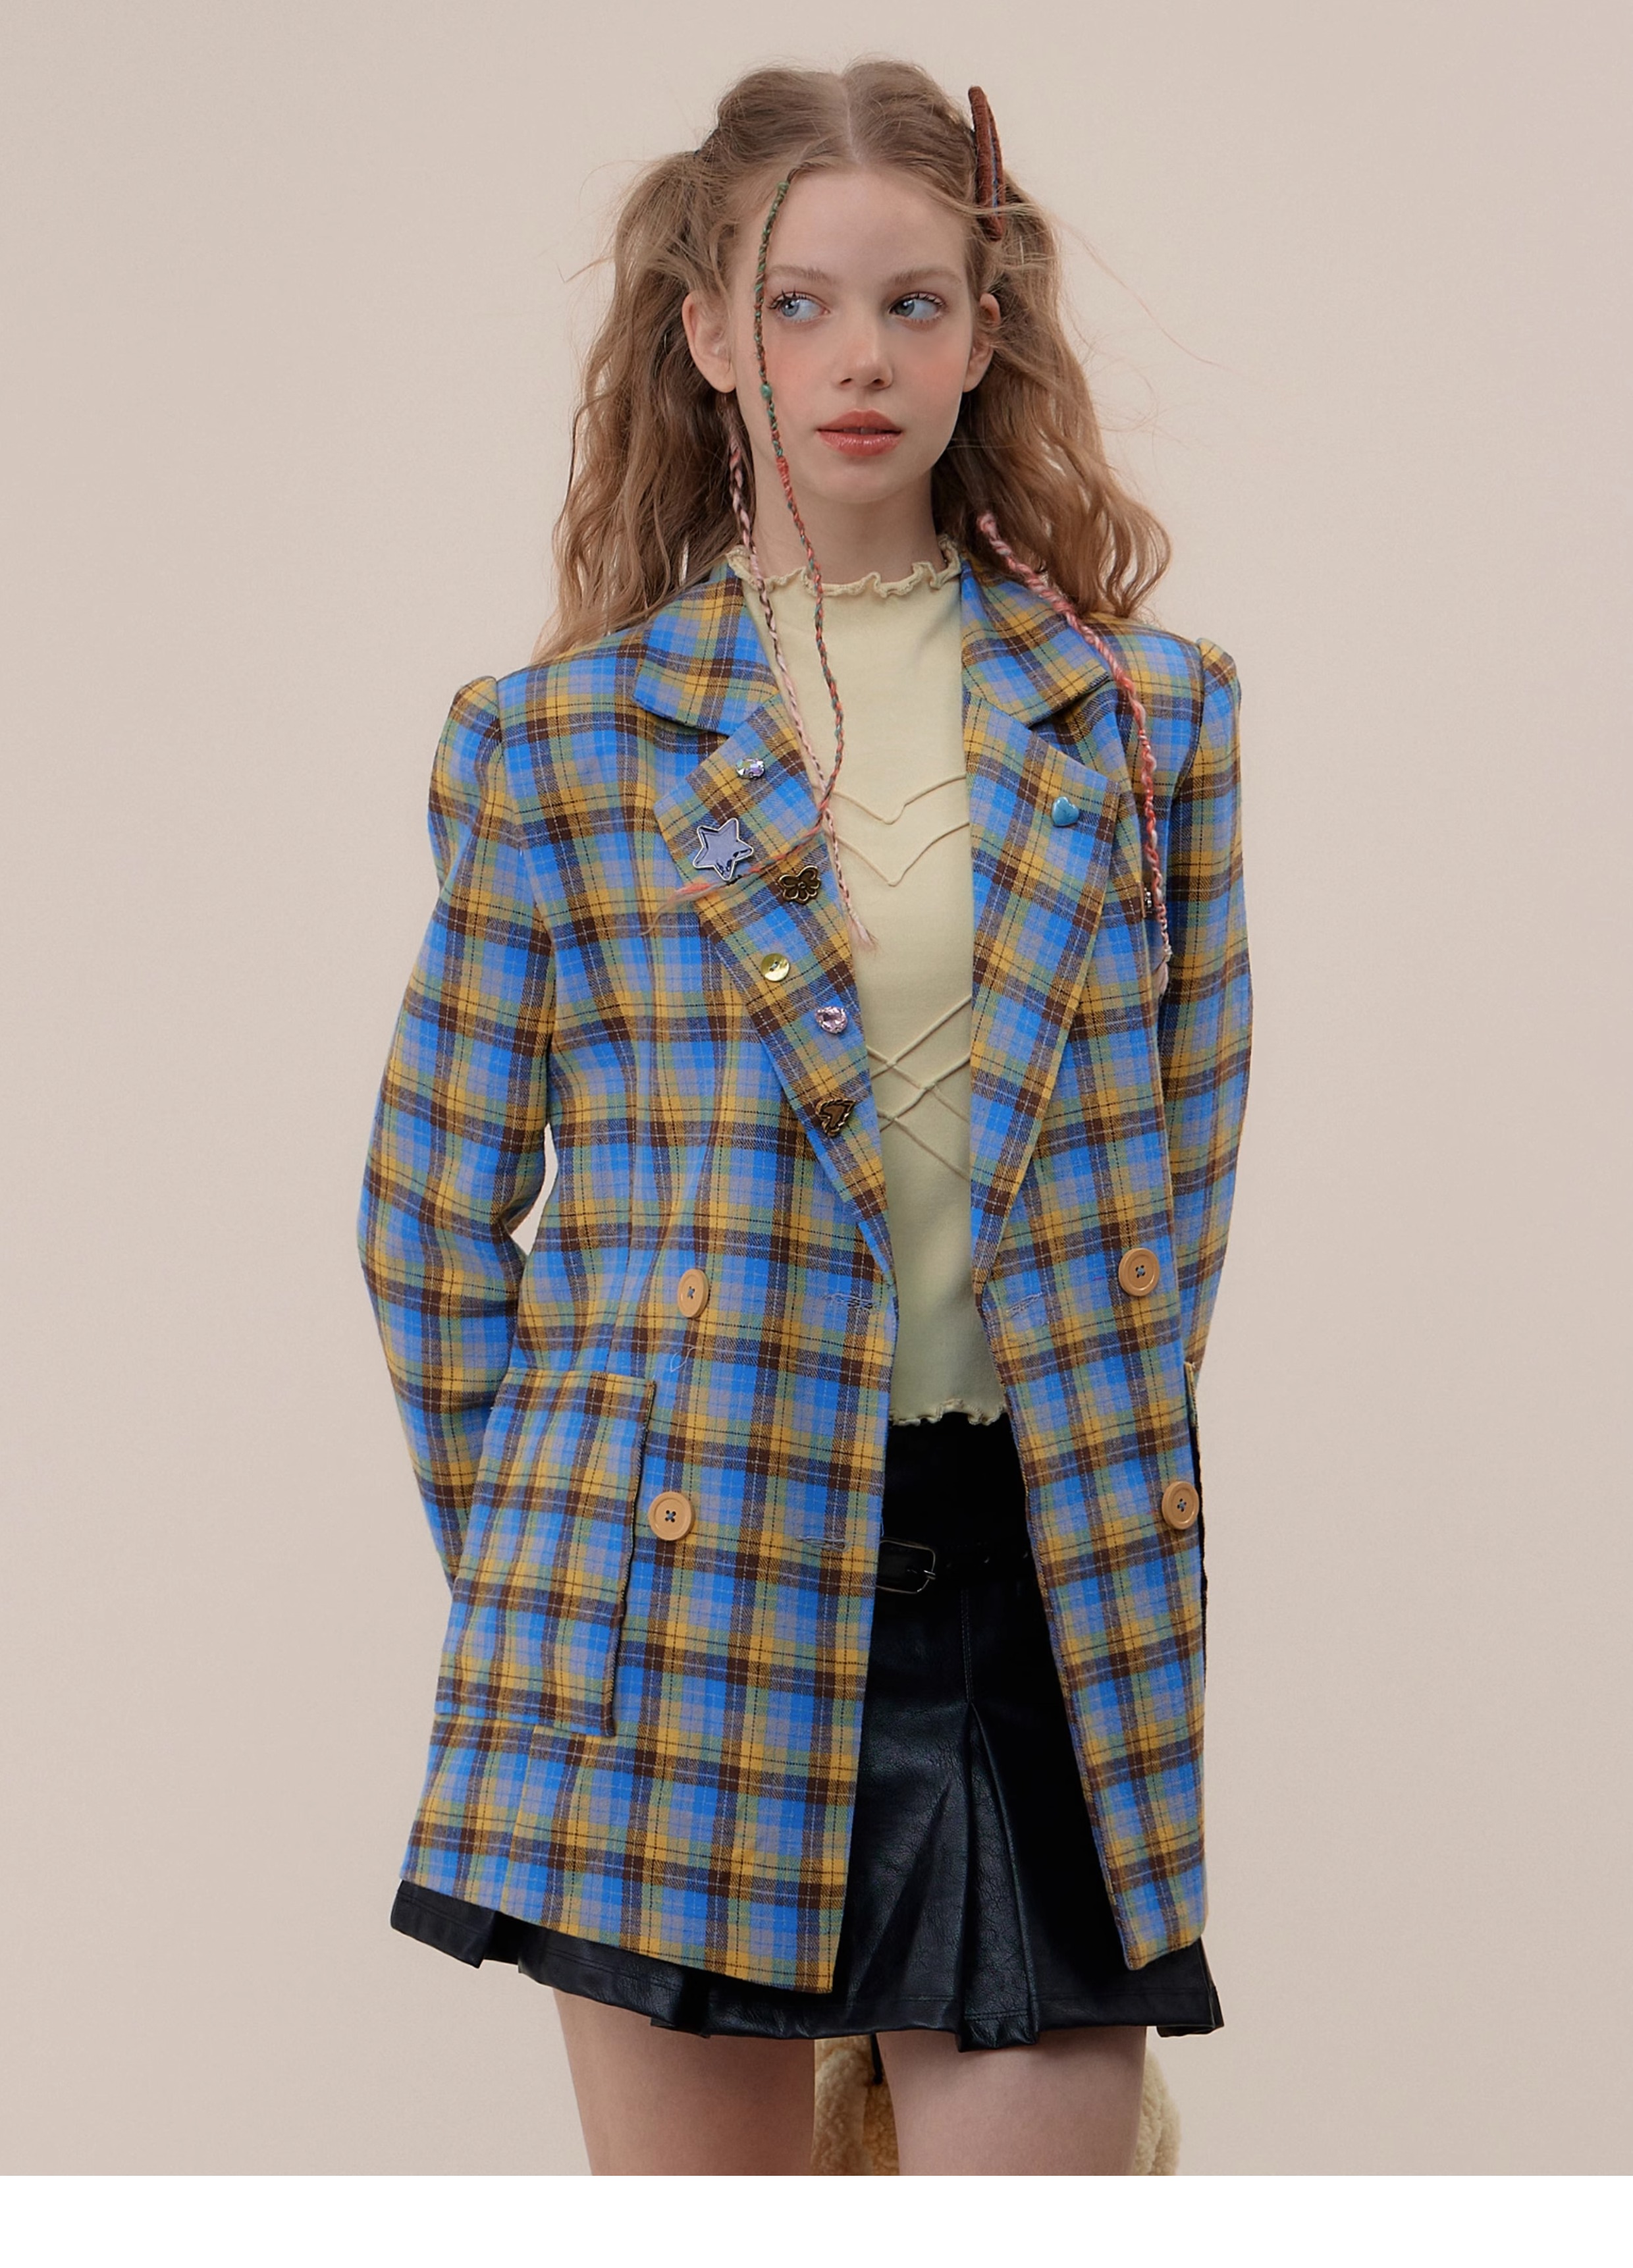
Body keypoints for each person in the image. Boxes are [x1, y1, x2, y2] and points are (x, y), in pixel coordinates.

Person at [358, 57, 1251, 2176]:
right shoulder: (562, 744)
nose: (862, 359)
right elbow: (426, 1217)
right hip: (680, 1594)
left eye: (915, 303)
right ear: (706, 333)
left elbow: (1173, 1183)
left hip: (1034, 1591)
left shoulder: (1147, 720)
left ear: (986, 331)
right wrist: (562, 1570)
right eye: (802, 304)